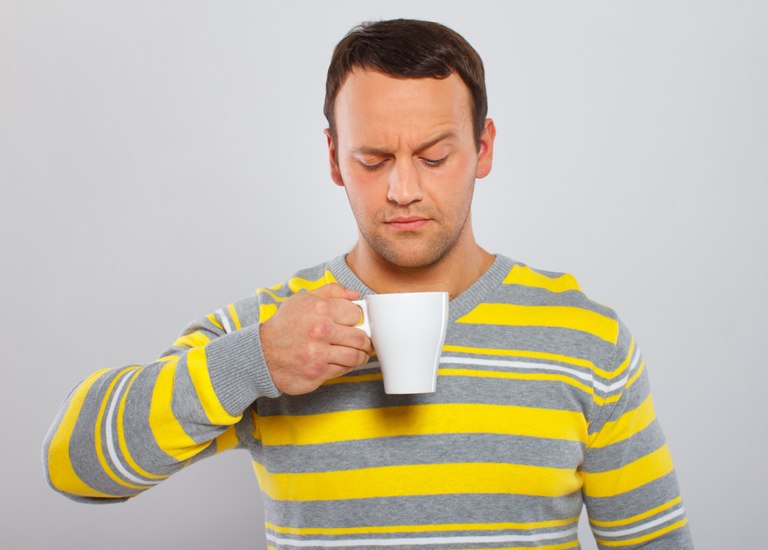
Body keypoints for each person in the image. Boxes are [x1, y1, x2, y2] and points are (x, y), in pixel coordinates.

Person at [43, 19, 693, 549]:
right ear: (333, 159)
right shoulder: (275, 330)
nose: (403, 190)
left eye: (435, 157)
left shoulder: (585, 337)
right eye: (372, 159)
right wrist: (255, 360)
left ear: (484, 148)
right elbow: (73, 467)